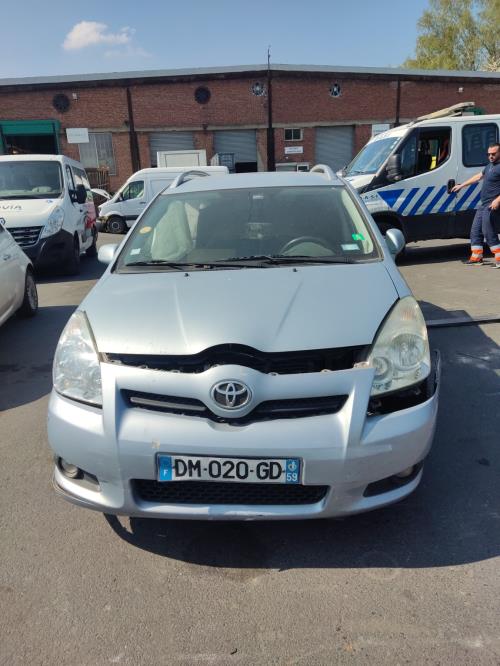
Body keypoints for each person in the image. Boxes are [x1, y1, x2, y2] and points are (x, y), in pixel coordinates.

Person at [452, 143, 500, 266]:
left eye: (493, 154)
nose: (490, 156)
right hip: (484, 204)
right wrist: (462, 185)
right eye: (488, 154)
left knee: (488, 231)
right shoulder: (489, 166)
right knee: (475, 230)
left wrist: (498, 200)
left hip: (492, 204)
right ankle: (477, 257)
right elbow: (478, 176)